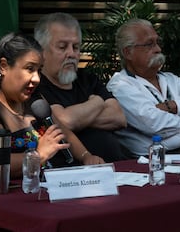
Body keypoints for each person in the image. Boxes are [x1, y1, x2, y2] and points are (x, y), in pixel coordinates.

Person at [0, 32, 104, 182]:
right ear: (4, 66)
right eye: (29, 69)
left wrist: (86, 156)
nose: (36, 78)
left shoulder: (34, 102)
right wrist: (38, 155)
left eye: (39, 70)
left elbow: (61, 131)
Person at [106, 18, 180, 157]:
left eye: (157, 42)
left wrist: (173, 106)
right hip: (154, 161)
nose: (158, 49)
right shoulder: (120, 86)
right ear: (128, 52)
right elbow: (154, 125)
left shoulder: (171, 79)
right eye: (149, 44)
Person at [34, 12, 128, 162]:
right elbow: (63, 122)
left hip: (118, 167)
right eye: (62, 47)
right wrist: (97, 102)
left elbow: (119, 118)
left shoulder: (87, 79)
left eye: (76, 47)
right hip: (75, 173)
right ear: (41, 51)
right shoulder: (37, 85)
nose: (71, 53)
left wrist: (77, 118)